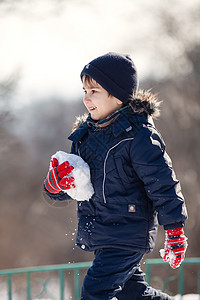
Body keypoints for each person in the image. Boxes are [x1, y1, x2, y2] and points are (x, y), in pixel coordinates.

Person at [44, 52, 188, 300]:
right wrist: (54, 186)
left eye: (94, 91)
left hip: (128, 233)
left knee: (95, 291)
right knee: (133, 293)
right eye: (84, 91)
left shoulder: (139, 136)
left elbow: (163, 185)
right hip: (102, 233)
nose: (86, 99)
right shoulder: (84, 137)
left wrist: (174, 229)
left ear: (117, 94)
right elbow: (77, 187)